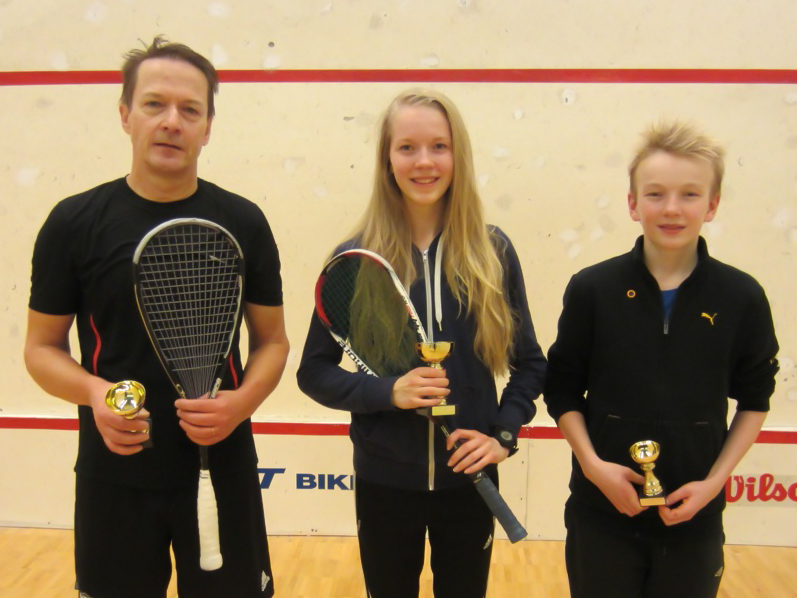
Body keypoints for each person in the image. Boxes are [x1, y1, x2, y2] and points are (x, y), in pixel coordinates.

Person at [24, 37, 289, 598]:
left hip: (222, 467)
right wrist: (95, 393)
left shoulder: (244, 222)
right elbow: (41, 348)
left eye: (190, 109)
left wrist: (240, 404)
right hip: (114, 473)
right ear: (125, 115)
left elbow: (272, 341)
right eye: (154, 104)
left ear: (208, 127)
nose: (172, 121)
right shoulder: (73, 223)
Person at [296, 89, 546, 598]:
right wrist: (388, 392)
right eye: (407, 147)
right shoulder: (356, 259)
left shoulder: (493, 251)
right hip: (384, 482)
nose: (424, 161)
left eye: (439, 146)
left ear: (458, 156)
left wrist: (501, 436)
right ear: (387, 160)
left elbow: (530, 365)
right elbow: (313, 372)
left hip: (469, 482)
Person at [544, 121, 779, 598]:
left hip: (695, 520)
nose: (672, 208)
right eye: (655, 194)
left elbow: (755, 400)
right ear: (633, 204)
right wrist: (593, 467)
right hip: (601, 514)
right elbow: (562, 390)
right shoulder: (592, 289)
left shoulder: (742, 297)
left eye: (690, 194)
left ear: (712, 205)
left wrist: (713, 484)